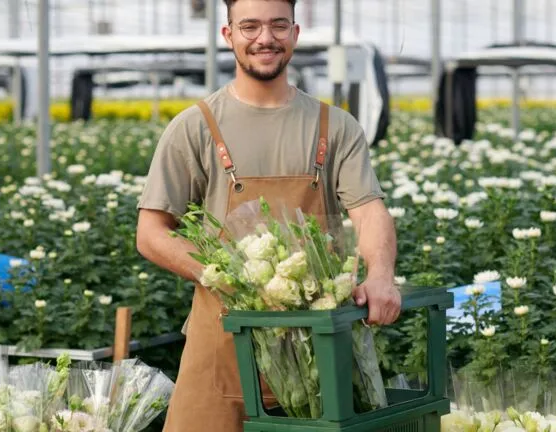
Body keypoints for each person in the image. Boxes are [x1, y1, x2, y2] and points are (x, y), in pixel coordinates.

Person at [135, 0, 401, 430]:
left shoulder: (334, 127)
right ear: (229, 36)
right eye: (250, 26)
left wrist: (381, 276)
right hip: (221, 343)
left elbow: (369, 212)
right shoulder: (195, 126)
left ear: (295, 34)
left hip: (317, 351)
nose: (265, 38)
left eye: (278, 26)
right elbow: (150, 233)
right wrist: (230, 278)